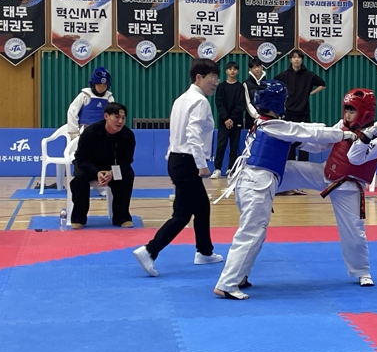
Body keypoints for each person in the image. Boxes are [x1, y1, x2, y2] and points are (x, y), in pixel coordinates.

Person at [213, 80, 357, 300]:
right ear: (278, 102)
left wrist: (334, 132)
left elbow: (307, 134)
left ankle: (239, 276)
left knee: (254, 232)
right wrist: (343, 135)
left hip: (251, 182)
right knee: (251, 233)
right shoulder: (275, 126)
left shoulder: (266, 123)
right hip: (256, 184)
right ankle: (227, 284)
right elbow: (305, 132)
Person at [278, 89, 377, 287]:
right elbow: (322, 144)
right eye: (347, 110)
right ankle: (261, 188)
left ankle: (362, 271)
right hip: (326, 173)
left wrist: (365, 137)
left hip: (348, 188)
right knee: (289, 169)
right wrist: (297, 141)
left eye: (352, 111)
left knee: (354, 232)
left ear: (365, 113)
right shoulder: (342, 125)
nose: (347, 115)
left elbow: (354, 158)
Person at [133, 59, 223, 277]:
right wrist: (201, 165)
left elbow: (175, 133)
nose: (216, 82)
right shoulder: (199, 102)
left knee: (201, 208)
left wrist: (172, 157)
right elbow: (192, 134)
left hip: (177, 158)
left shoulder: (181, 99)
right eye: (212, 77)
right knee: (182, 215)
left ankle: (204, 251)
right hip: (187, 160)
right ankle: (149, 250)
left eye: (217, 78)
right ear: (199, 77)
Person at [69, 102, 136, 229]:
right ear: (106, 116)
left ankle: (122, 217)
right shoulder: (90, 132)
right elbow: (80, 158)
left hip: (113, 168)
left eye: (123, 118)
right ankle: (78, 218)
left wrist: (112, 173)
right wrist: (96, 172)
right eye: (117, 117)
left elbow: (126, 161)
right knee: (79, 178)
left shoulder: (128, 135)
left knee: (128, 175)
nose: (120, 121)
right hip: (89, 166)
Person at [274, 49, 327, 162]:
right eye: (294, 57)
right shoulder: (284, 75)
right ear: (290, 60)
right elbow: (274, 84)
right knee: (289, 140)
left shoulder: (309, 75)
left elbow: (322, 84)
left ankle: (304, 164)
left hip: (303, 112)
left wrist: (311, 93)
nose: (296, 59)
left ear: (302, 59)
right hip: (288, 112)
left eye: (299, 57)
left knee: (305, 140)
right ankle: (290, 163)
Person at [211, 62, 246, 179]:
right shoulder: (221, 87)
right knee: (221, 145)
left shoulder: (240, 87)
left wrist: (232, 118)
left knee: (234, 146)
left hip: (236, 122)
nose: (232, 71)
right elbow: (219, 103)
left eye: (235, 69)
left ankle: (231, 169)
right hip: (223, 122)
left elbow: (241, 105)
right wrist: (226, 118)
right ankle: (217, 169)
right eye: (230, 69)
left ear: (238, 71)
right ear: (226, 71)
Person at [67, 67, 115, 139]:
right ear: (93, 84)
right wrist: (73, 131)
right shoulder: (85, 95)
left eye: (104, 86)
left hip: (103, 133)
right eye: (99, 85)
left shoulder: (109, 98)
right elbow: (72, 111)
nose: (101, 88)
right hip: (85, 131)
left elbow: (113, 115)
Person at [243, 57, 266, 132]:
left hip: (266, 119)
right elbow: (247, 103)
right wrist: (256, 116)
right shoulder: (246, 84)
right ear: (250, 69)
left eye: (258, 66)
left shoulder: (268, 83)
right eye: (254, 67)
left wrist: (265, 116)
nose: (257, 69)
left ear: (262, 67)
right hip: (251, 120)